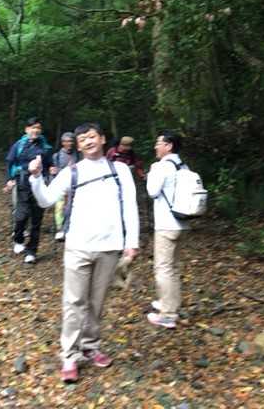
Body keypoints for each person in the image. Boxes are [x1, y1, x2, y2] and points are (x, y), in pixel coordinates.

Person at [28, 122, 139, 383]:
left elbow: (130, 206)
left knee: (96, 302)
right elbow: (45, 200)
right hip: (78, 246)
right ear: (78, 146)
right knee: (74, 301)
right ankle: (70, 354)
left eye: (92, 137)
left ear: (102, 139)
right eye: (82, 140)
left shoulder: (120, 170)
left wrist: (131, 242)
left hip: (110, 246)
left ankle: (91, 346)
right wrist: (36, 177)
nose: (88, 142)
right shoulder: (72, 172)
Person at [145, 130, 190, 329]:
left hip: (166, 224)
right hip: (183, 222)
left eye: (159, 143)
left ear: (169, 146)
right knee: (174, 267)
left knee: (163, 268)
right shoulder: (183, 165)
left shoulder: (162, 166)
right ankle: (170, 303)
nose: (155, 146)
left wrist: (152, 171)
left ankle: (168, 315)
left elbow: (152, 191)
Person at [3, 117, 54, 264]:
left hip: (39, 185)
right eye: (33, 127)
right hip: (22, 184)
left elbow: (49, 164)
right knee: (21, 216)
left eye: (38, 128)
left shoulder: (45, 147)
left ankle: (32, 251)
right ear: (27, 130)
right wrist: (9, 179)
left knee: (36, 220)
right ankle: (18, 239)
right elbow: (10, 162)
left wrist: (52, 169)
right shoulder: (19, 145)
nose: (35, 130)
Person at [50, 132, 80, 241]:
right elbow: (53, 171)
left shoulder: (79, 155)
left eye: (71, 141)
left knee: (70, 208)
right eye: (66, 141)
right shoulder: (57, 156)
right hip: (61, 185)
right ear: (62, 143)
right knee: (59, 208)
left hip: (74, 185)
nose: (69, 144)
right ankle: (59, 229)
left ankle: (67, 229)